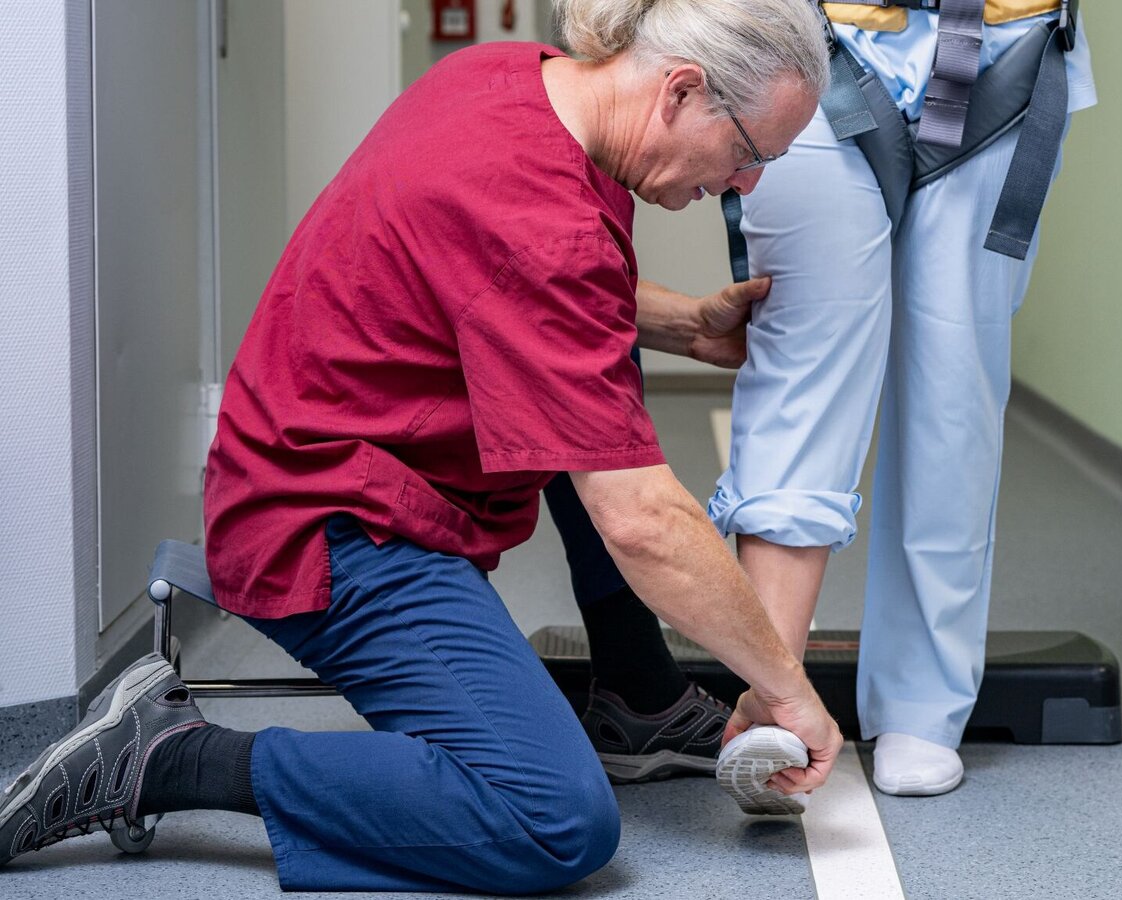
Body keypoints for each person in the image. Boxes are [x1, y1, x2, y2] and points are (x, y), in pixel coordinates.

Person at [0, 0, 840, 891]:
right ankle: (171, 756)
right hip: (332, 528)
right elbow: (640, 519)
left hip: (305, 460)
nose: (746, 182)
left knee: (597, 398)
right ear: (681, 91)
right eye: (752, 151)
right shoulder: (546, 222)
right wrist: (788, 688)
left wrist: (682, 324)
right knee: (555, 819)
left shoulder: (509, 81)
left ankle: (635, 691)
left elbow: (521, 291)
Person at [706, 0, 1097, 796]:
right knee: (804, 365)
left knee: (954, 389)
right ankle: (773, 690)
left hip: (1007, 46)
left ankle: (922, 708)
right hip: (809, 36)